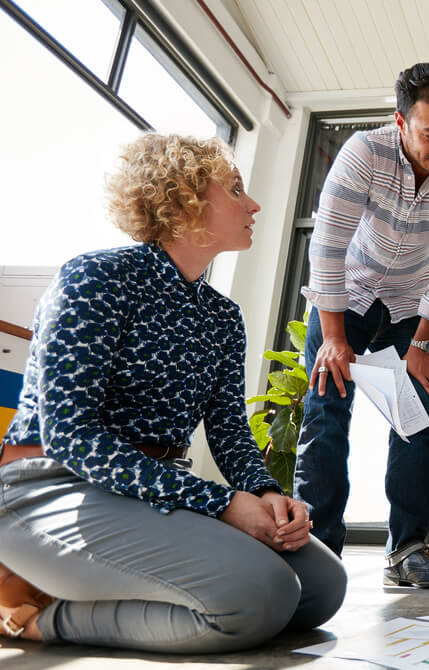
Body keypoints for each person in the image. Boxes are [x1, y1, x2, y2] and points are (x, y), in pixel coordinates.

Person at [0, 134, 347, 652]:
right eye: (235, 190)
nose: (252, 204)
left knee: (321, 589)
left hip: (151, 491)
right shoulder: (97, 278)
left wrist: (268, 494)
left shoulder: (223, 317)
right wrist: (221, 503)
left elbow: (229, 431)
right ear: (183, 200)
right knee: (261, 595)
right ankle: (33, 619)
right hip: (49, 486)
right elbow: (72, 437)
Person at [292, 62, 429, 588]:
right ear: (399, 121)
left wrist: (422, 342)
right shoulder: (364, 153)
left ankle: (409, 551)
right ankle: (318, 549)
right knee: (327, 416)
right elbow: (328, 246)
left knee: (414, 419)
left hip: (409, 307)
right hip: (345, 298)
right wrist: (333, 338)